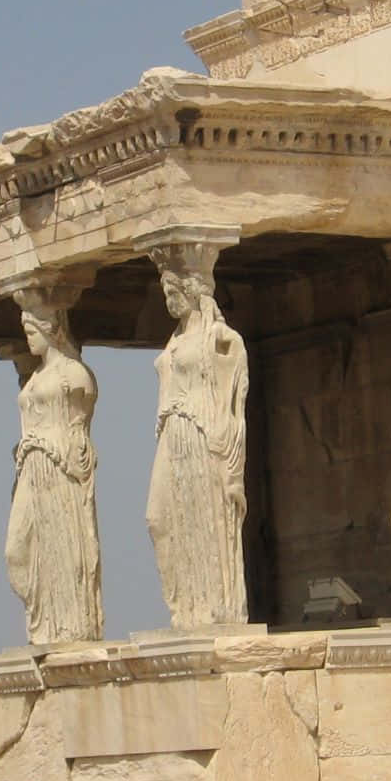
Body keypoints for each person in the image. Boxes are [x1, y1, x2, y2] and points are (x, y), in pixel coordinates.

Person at [146, 265, 248, 627]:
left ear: (192, 291)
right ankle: (185, 607)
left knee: (207, 517)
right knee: (159, 518)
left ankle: (214, 608)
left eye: (173, 290)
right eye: (165, 291)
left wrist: (230, 457)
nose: (168, 298)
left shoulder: (219, 337)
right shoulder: (174, 339)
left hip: (201, 432)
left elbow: (235, 399)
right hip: (171, 432)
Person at [4, 302, 104, 643]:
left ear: (51, 329)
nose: (29, 339)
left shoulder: (73, 374)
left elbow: (81, 423)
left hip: (59, 465)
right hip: (32, 467)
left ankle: (70, 626)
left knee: (64, 545)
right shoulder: (35, 377)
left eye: (32, 331)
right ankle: (44, 621)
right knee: (17, 551)